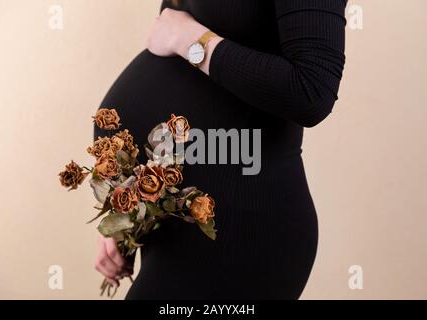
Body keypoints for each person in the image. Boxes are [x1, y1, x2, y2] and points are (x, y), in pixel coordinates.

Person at [94, 0, 347, 299]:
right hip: (175, 224)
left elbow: (311, 90)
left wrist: (191, 40)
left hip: (239, 229)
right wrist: (128, 217)